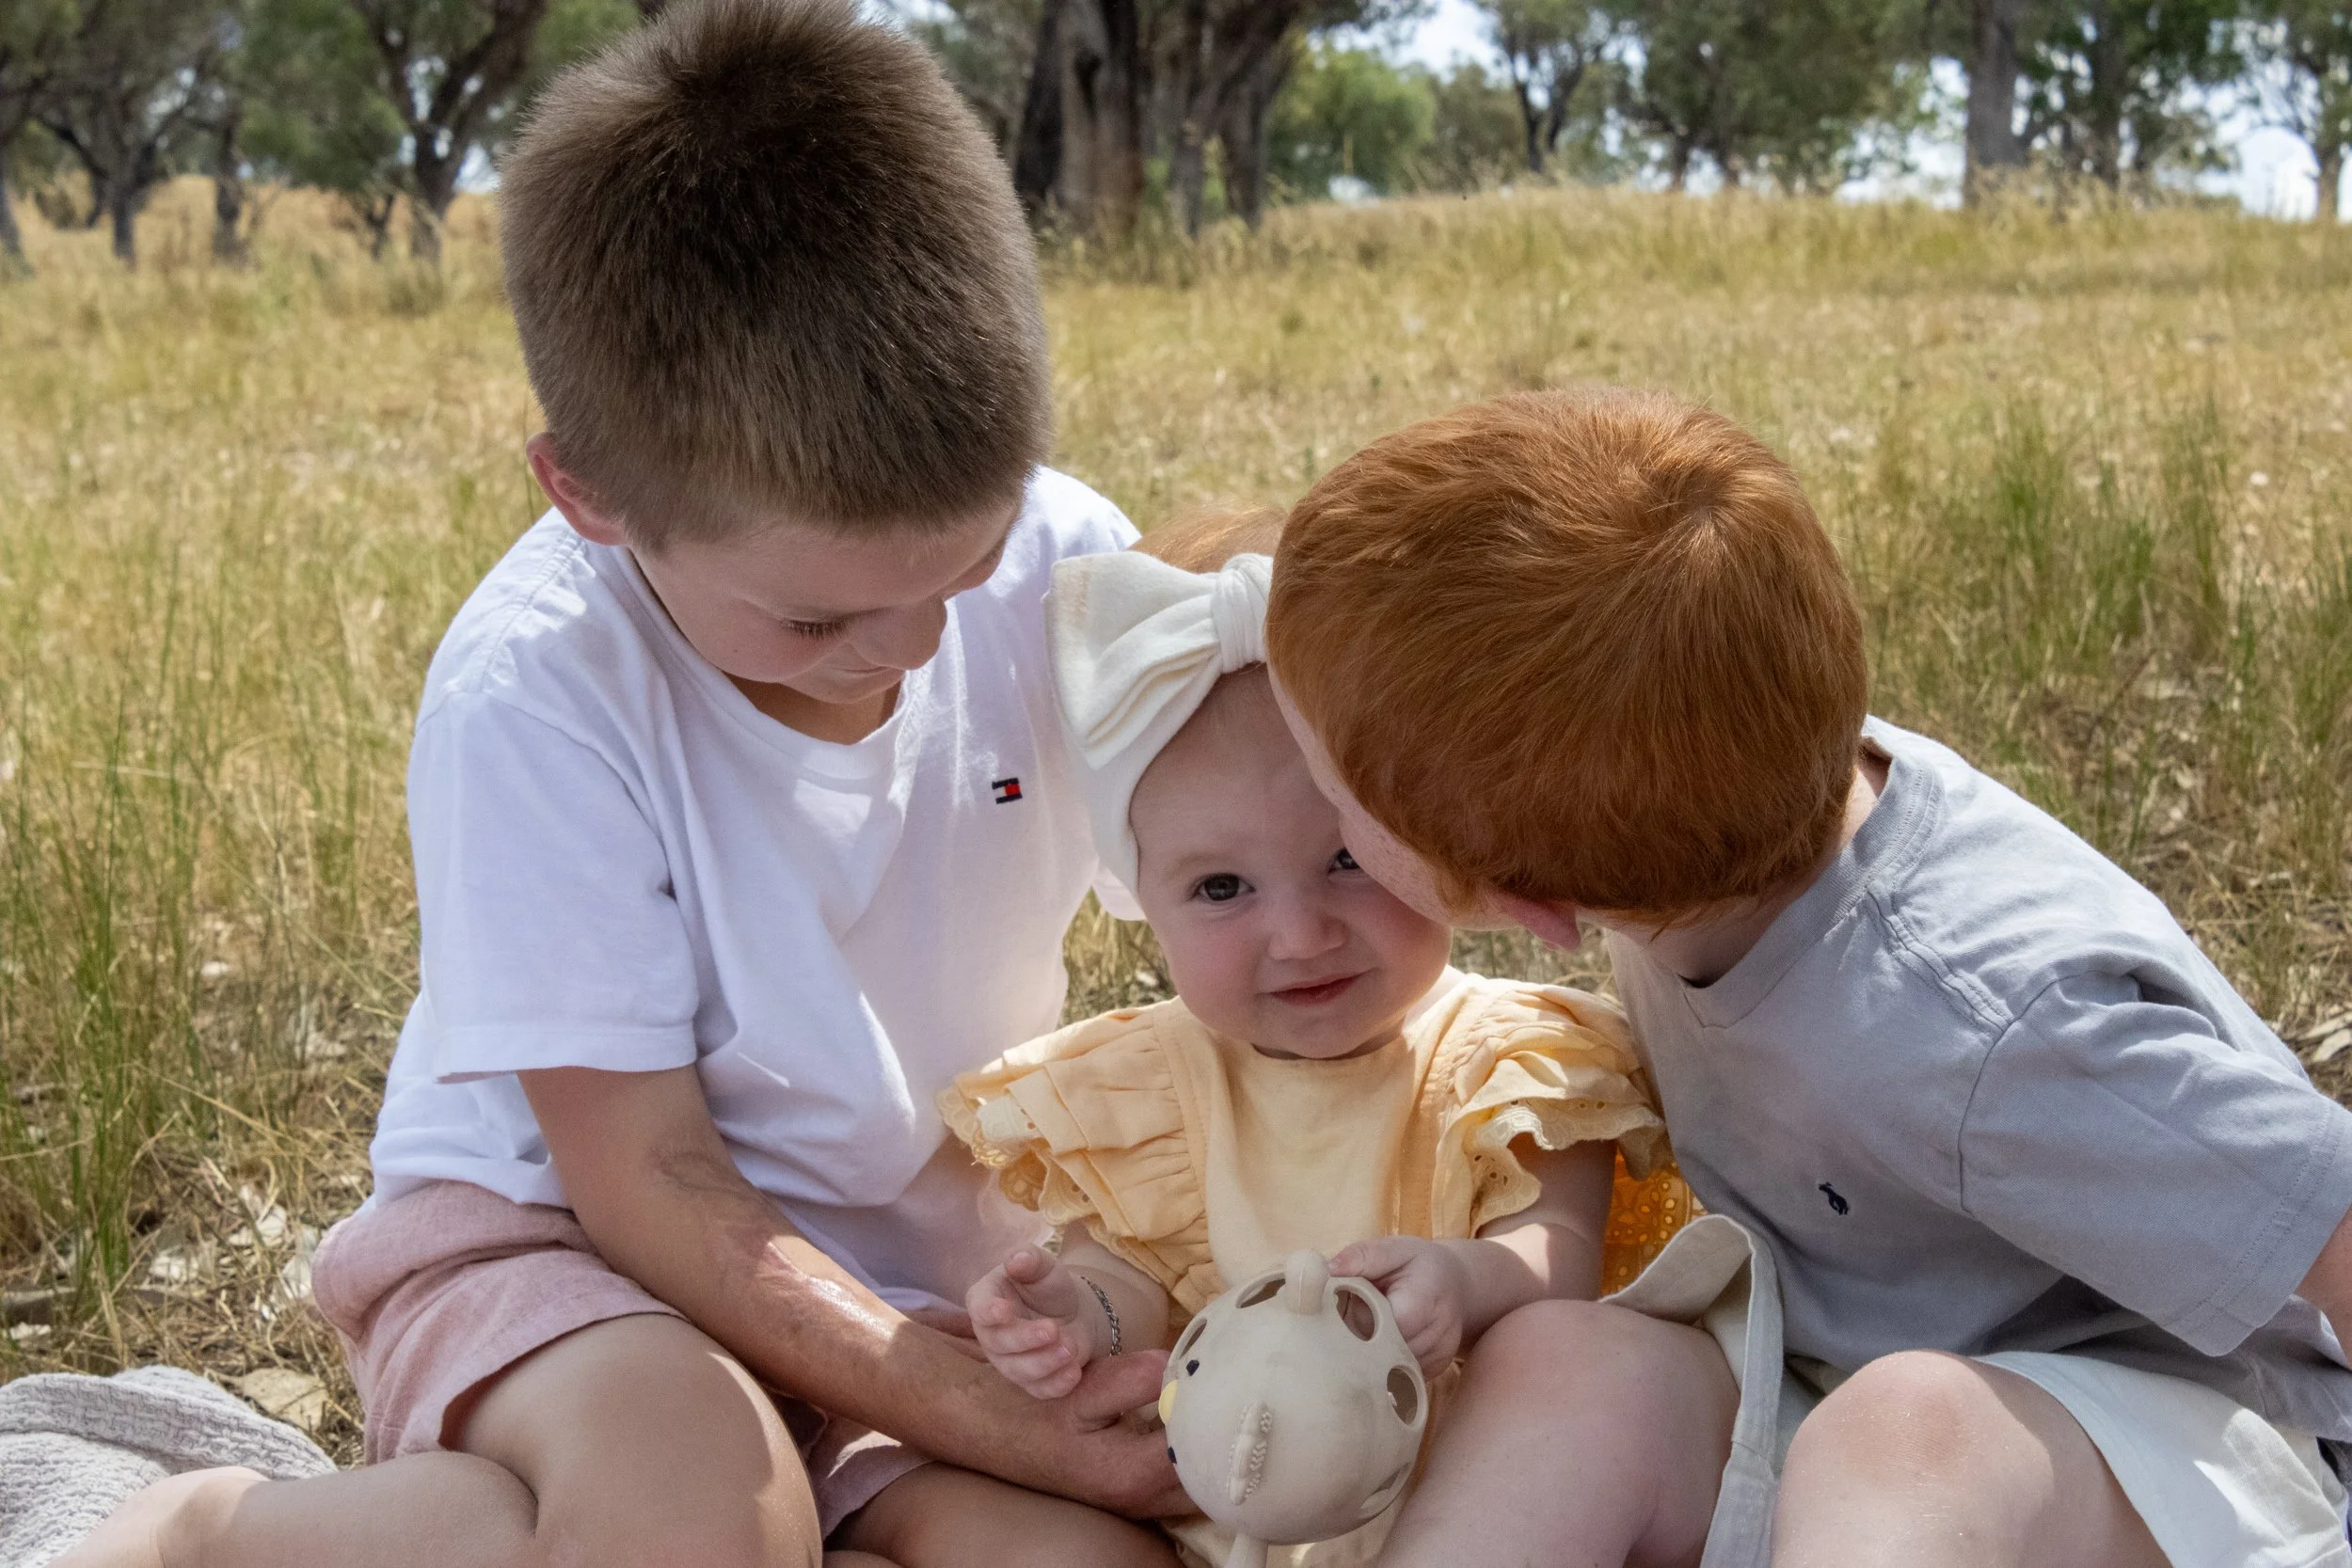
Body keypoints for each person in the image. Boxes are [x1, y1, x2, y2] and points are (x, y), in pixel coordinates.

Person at [58, 4, 1189, 1566]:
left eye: (967, 562)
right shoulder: (536, 688)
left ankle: (462, 1535)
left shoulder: (1067, 557)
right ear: (585, 496)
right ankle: (204, 1536)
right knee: (699, 1511)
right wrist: (990, 1416)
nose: (915, 644)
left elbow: (1246, 839)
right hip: (569, 1249)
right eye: (815, 616)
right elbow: (645, 1178)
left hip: (910, 1279)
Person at [1260, 385, 2352, 1568]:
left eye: (1332, 799)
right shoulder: (1690, 748)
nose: (1311, 795)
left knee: (1900, 1434)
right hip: (1832, 1379)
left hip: (2174, 1448)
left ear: (1527, 905)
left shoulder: (1991, 1027)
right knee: (1561, 1360)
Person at [940, 512, 1696, 1568]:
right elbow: (1133, 1289)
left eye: (1346, 859)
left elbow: (1554, 1255)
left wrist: (1465, 1280)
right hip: (1217, 1526)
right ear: (1139, 899)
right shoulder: (1151, 1088)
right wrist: (1075, 1316)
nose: (1298, 936)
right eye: (1219, 887)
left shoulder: (1509, 1059)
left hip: (1484, 1515)